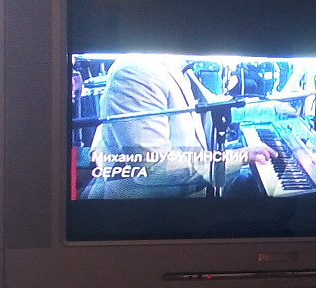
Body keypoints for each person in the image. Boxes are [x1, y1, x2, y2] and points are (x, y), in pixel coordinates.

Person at [82, 54, 277, 199]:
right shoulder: (136, 71)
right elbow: (152, 167)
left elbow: (214, 107)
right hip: (145, 219)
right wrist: (239, 156)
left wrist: (275, 109)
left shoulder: (178, 66)